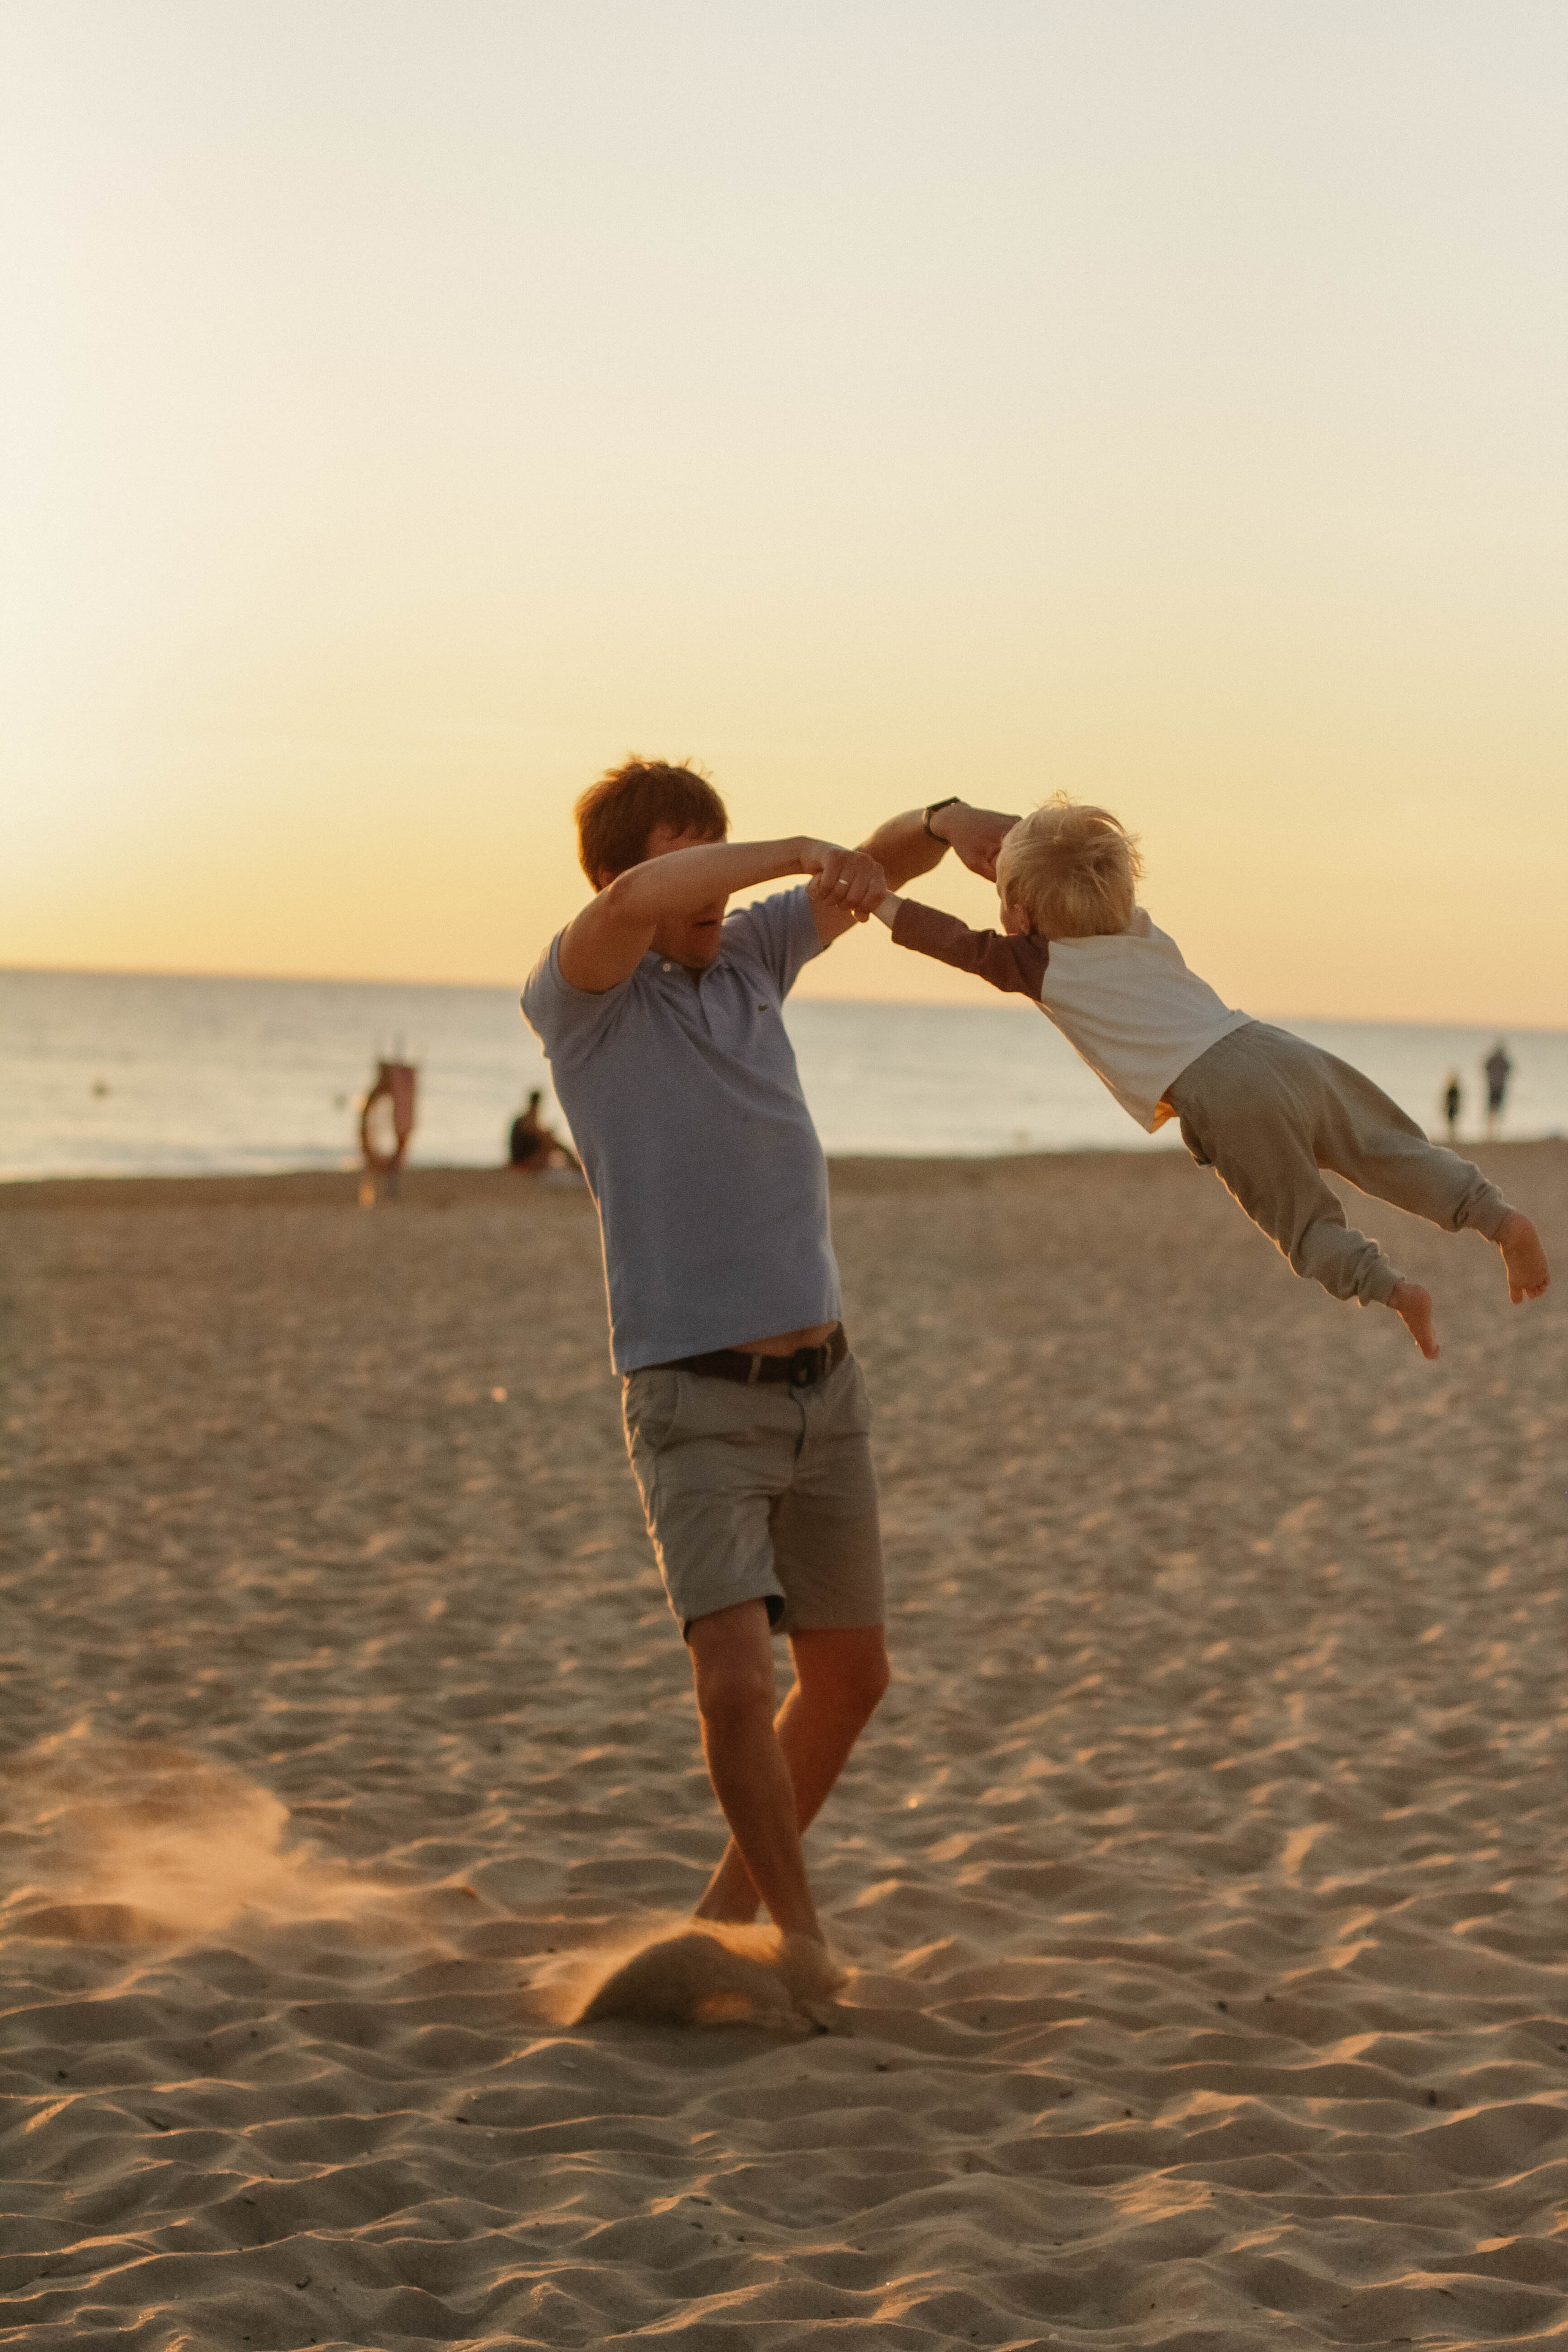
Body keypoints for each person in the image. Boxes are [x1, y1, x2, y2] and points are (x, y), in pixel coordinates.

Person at [521, 757, 1012, 1972]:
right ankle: (798, 1944)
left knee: (849, 1678)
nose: (712, 899)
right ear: (623, 875)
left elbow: (876, 862)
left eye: (717, 861)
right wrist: (792, 847)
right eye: (690, 866)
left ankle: (729, 1922)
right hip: (694, 1397)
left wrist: (943, 825)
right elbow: (650, 903)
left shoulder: (748, 957)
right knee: (735, 1686)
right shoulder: (583, 990)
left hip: (822, 1387)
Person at [872, 794, 1550, 1362]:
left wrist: (877, 900)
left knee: (1302, 1223)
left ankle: (1394, 1290)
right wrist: (1031, 865)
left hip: (1219, 1091)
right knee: (1386, 1149)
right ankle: (1499, 1219)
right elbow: (1075, 871)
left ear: (1017, 915)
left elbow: (954, 942)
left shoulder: (1034, 965)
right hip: (1272, 1047)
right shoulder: (1136, 927)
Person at [508, 1089, 576, 1174]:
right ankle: (576, 1167)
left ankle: (576, 1166)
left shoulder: (526, 1117)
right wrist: (549, 1134)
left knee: (553, 1142)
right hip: (523, 1161)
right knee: (553, 1143)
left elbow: (537, 1134)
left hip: (524, 1158)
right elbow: (538, 1135)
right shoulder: (527, 1118)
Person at [1485, 1042, 1512, 1139]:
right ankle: (1493, 1132)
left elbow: (1486, 1069)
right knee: (1495, 1109)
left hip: (1495, 1086)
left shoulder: (1496, 1060)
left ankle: (1493, 1132)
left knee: (1493, 1109)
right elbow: (1509, 1071)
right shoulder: (1502, 1060)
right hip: (1497, 1086)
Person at [1442, 1073, 1462, 1145]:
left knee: (1452, 1122)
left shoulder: (1453, 1090)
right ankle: (1451, 1135)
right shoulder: (1453, 1090)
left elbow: (1452, 1100)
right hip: (1452, 1107)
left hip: (1452, 1108)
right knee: (1451, 1122)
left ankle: (1452, 1136)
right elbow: (1448, 1100)